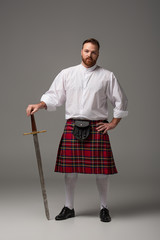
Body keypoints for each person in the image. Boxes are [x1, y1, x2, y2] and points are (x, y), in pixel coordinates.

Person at [26, 38, 128, 222]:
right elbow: (54, 96)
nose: (90, 55)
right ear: (81, 51)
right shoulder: (67, 74)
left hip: (97, 126)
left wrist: (113, 123)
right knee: (70, 171)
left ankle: (104, 208)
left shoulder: (107, 76)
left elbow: (121, 100)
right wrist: (39, 105)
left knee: (102, 172)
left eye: (94, 52)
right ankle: (69, 207)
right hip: (73, 126)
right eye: (87, 51)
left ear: (98, 54)